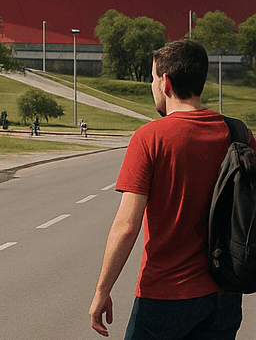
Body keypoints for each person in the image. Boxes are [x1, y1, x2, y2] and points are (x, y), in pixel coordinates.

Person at [89, 39, 250, 339]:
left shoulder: (150, 138)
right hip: (225, 294)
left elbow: (126, 226)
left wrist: (102, 290)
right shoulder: (238, 133)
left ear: (165, 82)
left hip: (165, 295)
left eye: (152, 78)